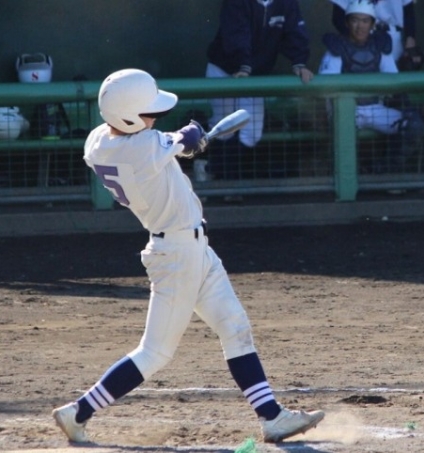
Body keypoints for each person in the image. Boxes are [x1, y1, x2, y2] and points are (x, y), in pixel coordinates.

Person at [51, 68, 325, 444]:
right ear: (128, 116)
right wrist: (191, 138)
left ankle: (271, 417)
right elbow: (183, 138)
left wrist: (185, 142)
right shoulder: (143, 147)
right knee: (155, 352)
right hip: (176, 254)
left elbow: (174, 143)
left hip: (194, 249)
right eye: (148, 113)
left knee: (234, 326)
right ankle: (78, 412)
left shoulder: (98, 142)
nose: (153, 118)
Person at [205, 0, 314, 186]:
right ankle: (219, 181)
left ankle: (229, 181)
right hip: (224, 70)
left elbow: (294, 30)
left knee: (251, 132)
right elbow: (236, 34)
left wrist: (299, 62)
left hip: (255, 74)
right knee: (223, 129)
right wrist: (243, 65)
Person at [319, 0, 424, 174]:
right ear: (347, 22)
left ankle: (384, 172)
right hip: (347, 111)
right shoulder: (337, 47)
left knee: (414, 125)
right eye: (355, 20)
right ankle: (348, 177)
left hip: (375, 109)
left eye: (365, 21)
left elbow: (393, 82)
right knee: (344, 135)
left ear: (372, 24)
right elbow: (326, 88)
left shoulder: (380, 45)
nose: (360, 26)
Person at [329, 0, 422, 68]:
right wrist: (355, 38)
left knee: (392, 80)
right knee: (362, 74)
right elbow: (337, 17)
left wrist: (410, 41)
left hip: (393, 35)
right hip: (362, 35)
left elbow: (409, 12)